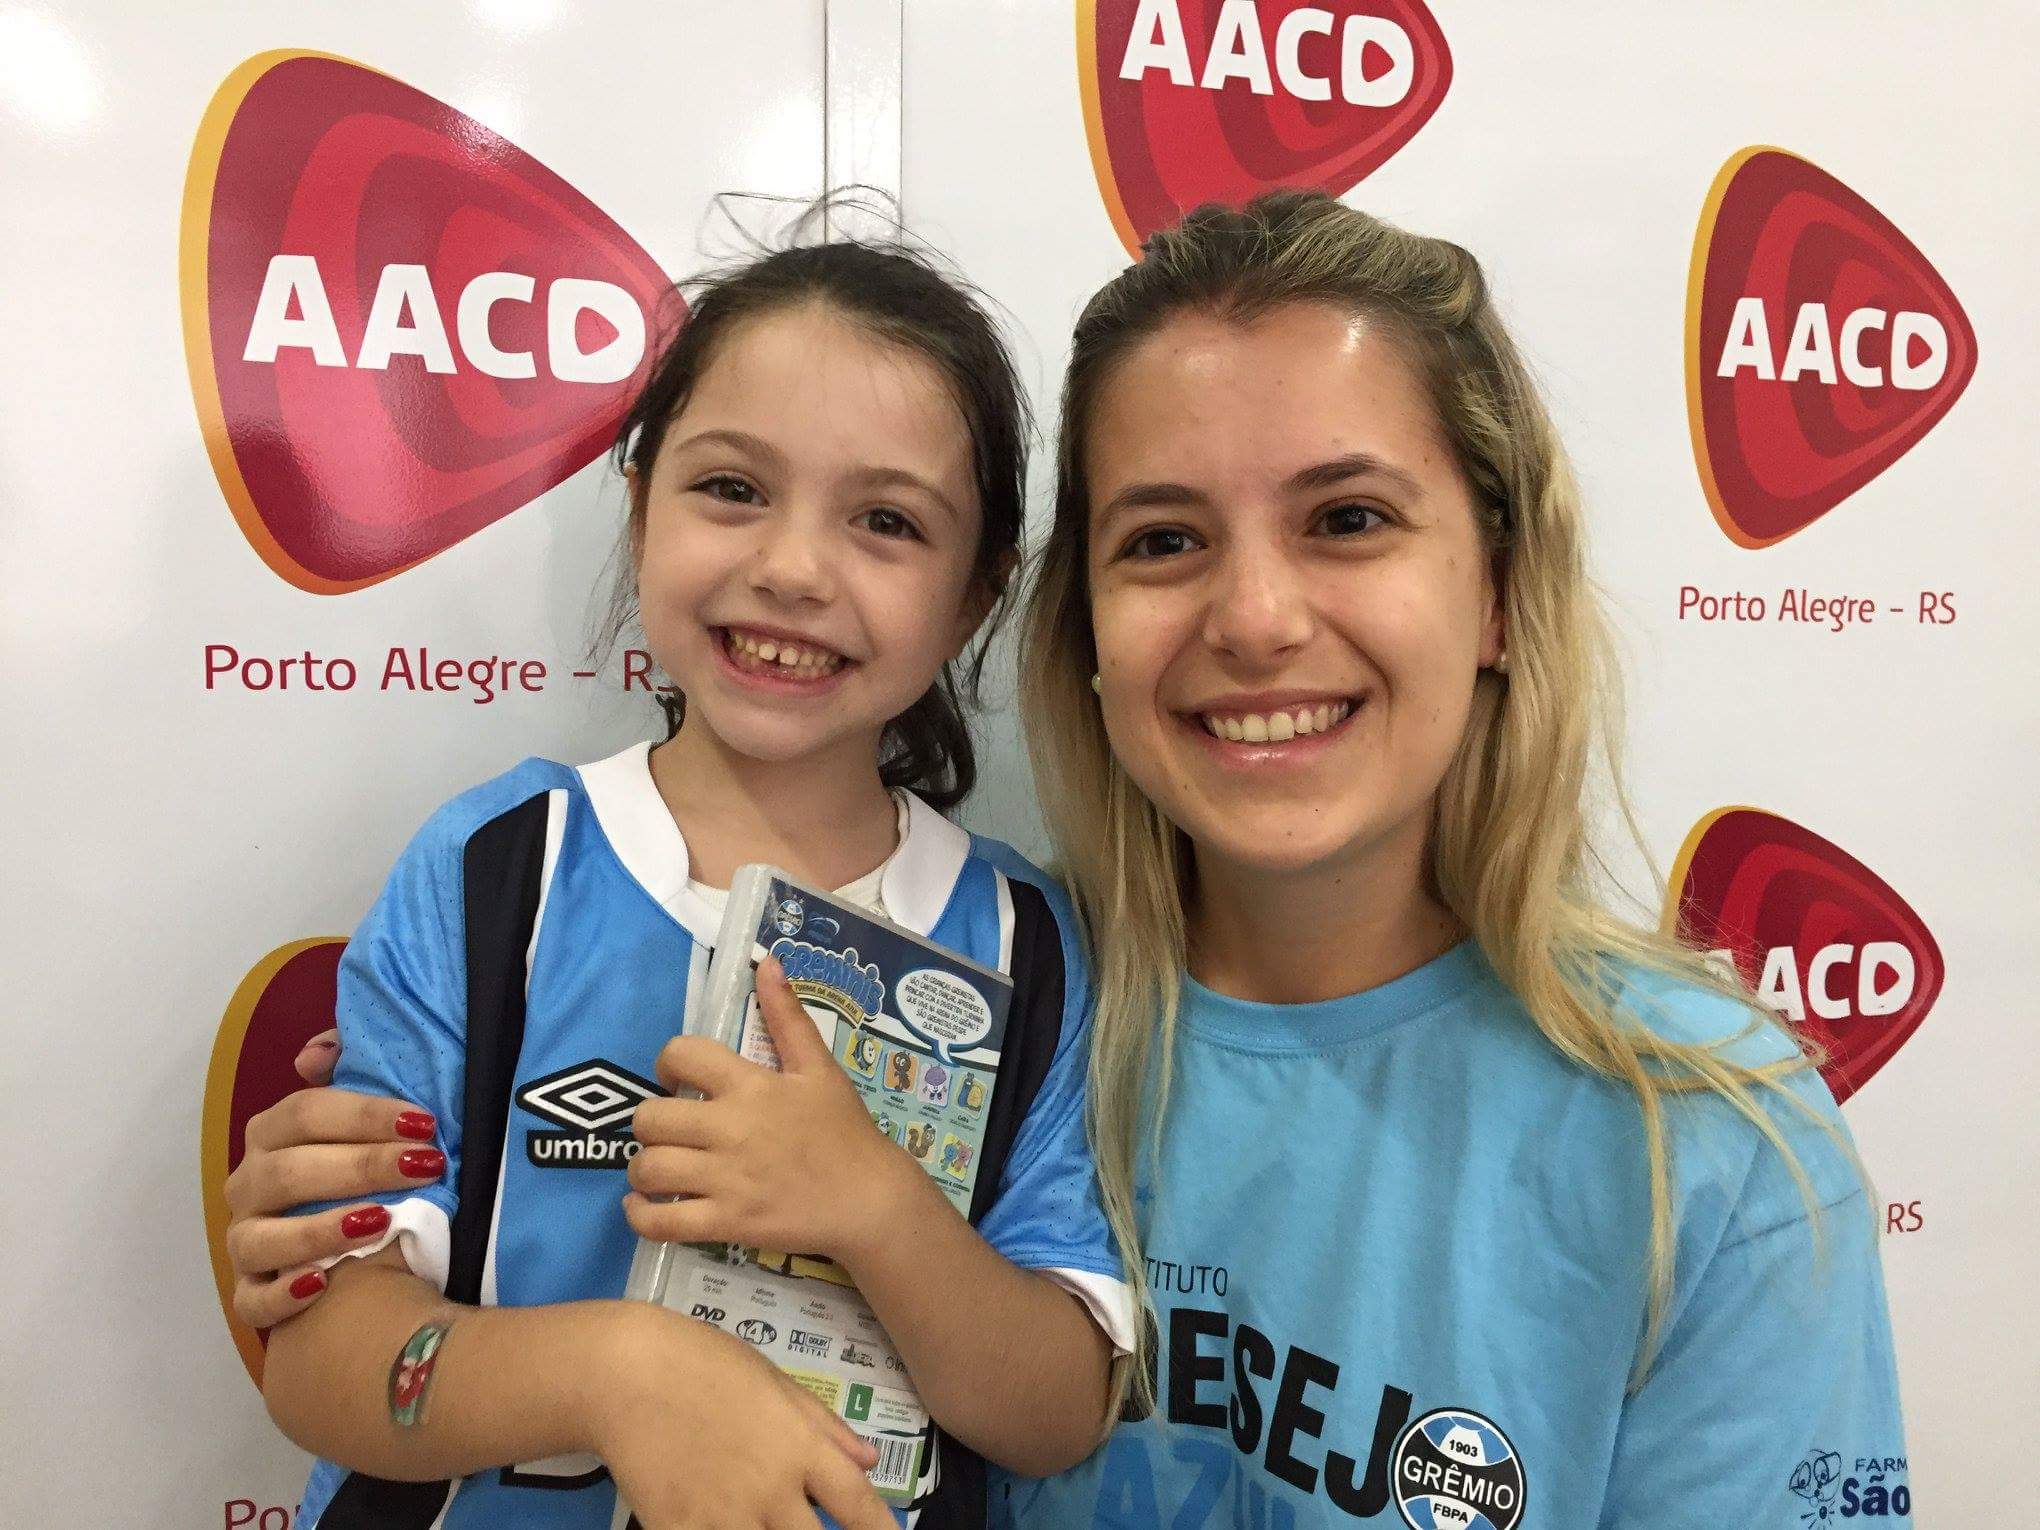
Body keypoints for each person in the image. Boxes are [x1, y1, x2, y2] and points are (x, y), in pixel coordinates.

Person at [226, 193, 1908, 1528]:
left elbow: (1043, 1390)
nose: (1256, 619)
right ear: (1081, 622)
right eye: (1166, 538)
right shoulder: (1049, 988)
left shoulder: (1709, 1151)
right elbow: (343, 1330)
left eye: (1348, 517)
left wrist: (876, 1211)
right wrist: (494, 1336)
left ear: (1498, 588)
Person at [242, 235, 1133, 1530]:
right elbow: (323, 1354)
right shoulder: (498, 870)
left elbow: (1056, 1410)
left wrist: (876, 1203)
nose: (791, 568)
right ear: (641, 499)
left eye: (886, 520)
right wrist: (620, 1373)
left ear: (977, 591)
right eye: (731, 487)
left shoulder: (1023, 942)